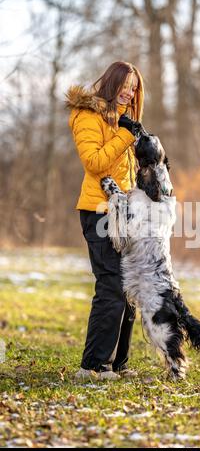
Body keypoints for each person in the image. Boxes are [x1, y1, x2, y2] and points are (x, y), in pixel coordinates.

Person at [66, 61, 145, 381]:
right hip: (98, 212)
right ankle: (92, 366)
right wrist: (126, 135)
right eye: (125, 84)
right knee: (111, 284)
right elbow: (94, 162)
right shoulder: (88, 116)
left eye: (135, 86)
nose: (130, 91)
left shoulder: (123, 121)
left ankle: (118, 364)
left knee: (129, 288)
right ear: (111, 84)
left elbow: (124, 173)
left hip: (125, 214)